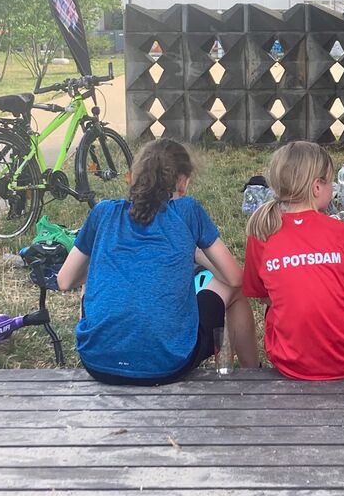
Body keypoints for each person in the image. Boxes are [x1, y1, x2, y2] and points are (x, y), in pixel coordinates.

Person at [57, 138, 259, 385]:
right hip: (167, 364)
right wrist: (196, 253)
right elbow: (235, 277)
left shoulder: (103, 212)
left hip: (97, 363)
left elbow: (65, 281)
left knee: (93, 289)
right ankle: (254, 375)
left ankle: (111, 344)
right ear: (183, 183)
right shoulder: (187, 210)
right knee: (235, 290)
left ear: (134, 177)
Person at [242, 141, 344, 380]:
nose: (333, 188)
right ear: (317, 187)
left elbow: (265, 295)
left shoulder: (261, 232)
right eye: (331, 182)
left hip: (290, 363)